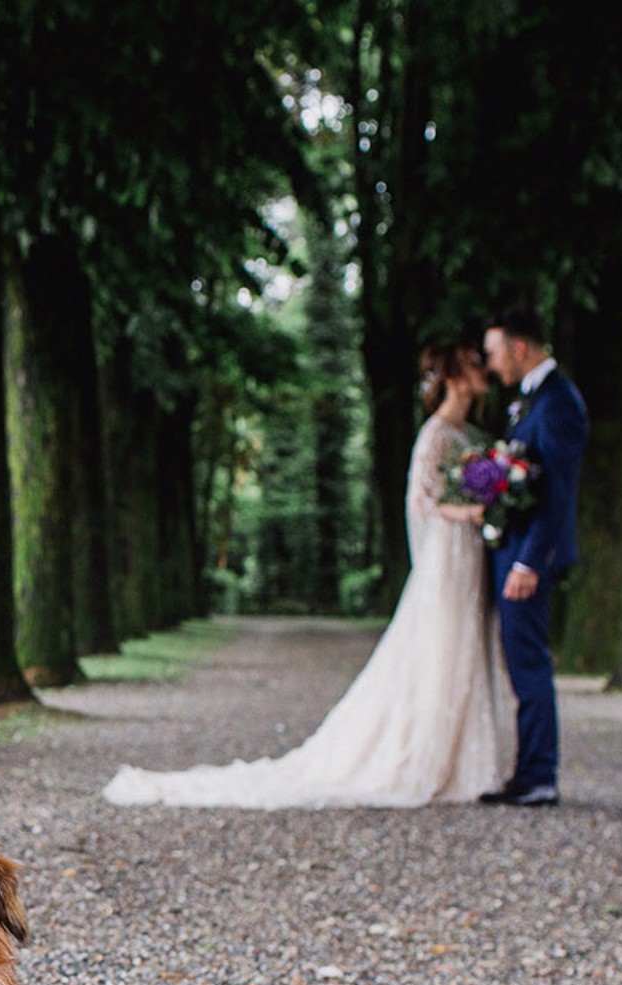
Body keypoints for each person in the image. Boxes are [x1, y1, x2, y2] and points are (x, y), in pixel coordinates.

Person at [103, 343, 505, 810]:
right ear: (454, 376)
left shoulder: (471, 435)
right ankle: (424, 759)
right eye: (475, 365)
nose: (484, 372)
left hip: (470, 558)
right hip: (447, 559)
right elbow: (420, 503)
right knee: (437, 652)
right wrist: (471, 510)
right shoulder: (435, 434)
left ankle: (465, 762)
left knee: (463, 653)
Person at [478, 305, 587, 808]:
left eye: (495, 353)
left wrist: (529, 561)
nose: (492, 365)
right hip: (514, 550)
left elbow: (558, 492)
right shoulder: (530, 401)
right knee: (518, 663)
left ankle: (539, 775)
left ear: (519, 348)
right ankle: (527, 772)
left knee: (528, 663)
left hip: (528, 558)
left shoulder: (559, 402)